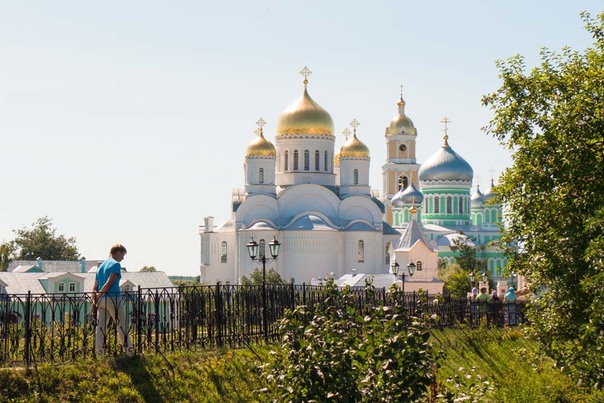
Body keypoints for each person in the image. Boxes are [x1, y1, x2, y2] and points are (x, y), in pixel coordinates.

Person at [92, 244, 134, 357]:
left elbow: (94, 287)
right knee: (121, 325)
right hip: (113, 298)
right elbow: (109, 283)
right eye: (123, 255)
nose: (123, 258)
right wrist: (100, 294)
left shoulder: (101, 267)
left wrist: (95, 299)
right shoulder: (116, 264)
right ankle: (129, 352)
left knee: (100, 327)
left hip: (101, 301)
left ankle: (99, 353)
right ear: (118, 252)